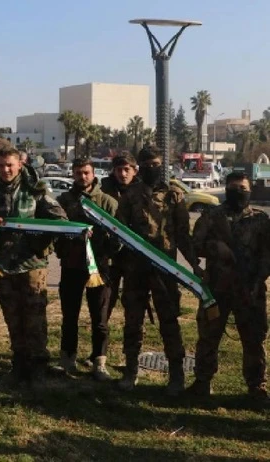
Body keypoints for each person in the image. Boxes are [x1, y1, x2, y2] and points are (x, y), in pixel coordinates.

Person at [0, 147, 67, 389]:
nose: (5, 170)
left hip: (32, 265)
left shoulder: (35, 189)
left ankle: (38, 368)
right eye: (1, 166)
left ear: (19, 165)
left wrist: (40, 240)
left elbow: (60, 220)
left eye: (10, 165)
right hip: (3, 265)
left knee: (34, 318)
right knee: (12, 316)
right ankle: (19, 365)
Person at [115, 147, 202, 395]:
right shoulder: (130, 194)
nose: (151, 168)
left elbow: (183, 236)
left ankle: (176, 376)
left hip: (165, 270)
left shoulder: (174, 195)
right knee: (133, 321)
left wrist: (195, 265)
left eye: (155, 164)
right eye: (146, 164)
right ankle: (131, 371)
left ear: (162, 165)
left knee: (169, 323)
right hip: (135, 270)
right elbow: (119, 230)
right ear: (139, 166)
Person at [188, 171, 269, 401]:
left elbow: (267, 254)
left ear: (250, 190)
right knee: (208, 336)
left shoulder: (260, 220)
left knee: (254, 339)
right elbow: (196, 246)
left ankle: (256, 387)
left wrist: (258, 279)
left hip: (250, 290)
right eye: (234, 189)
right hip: (217, 289)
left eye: (243, 189)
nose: (239, 193)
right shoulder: (212, 216)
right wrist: (214, 249)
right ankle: (202, 382)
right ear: (226, 189)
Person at [54, 158, 117, 381]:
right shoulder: (63, 200)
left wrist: (104, 246)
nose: (83, 177)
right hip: (71, 266)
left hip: (99, 270)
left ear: (93, 173)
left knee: (99, 319)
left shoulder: (107, 202)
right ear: (72, 173)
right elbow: (56, 231)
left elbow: (117, 237)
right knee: (69, 316)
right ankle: (67, 359)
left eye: (87, 172)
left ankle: (99, 362)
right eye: (79, 172)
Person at [100, 153, 141, 318]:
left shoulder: (143, 192)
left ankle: (132, 343)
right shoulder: (103, 191)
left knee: (134, 306)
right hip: (110, 257)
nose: (122, 174)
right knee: (105, 304)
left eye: (126, 169)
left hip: (135, 256)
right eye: (119, 170)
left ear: (135, 171)